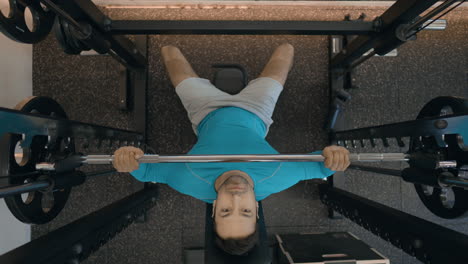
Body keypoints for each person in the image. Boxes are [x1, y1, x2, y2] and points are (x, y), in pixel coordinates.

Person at [112, 43, 350, 255]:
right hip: (256, 111)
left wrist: (129, 160)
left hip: (205, 111)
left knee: (169, 51)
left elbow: (148, 171)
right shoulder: (276, 177)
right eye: (245, 210)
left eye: (226, 210)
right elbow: (320, 167)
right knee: (286, 49)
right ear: (256, 210)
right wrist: (334, 157)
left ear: (214, 209)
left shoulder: (188, 180)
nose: (236, 197)